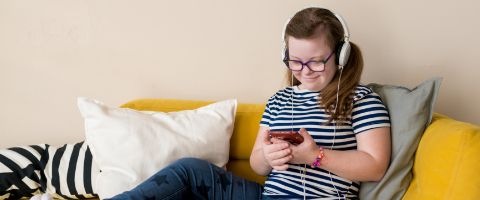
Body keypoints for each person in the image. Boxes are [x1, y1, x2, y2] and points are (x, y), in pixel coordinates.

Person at [109, 6, 391, 200]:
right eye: (295, 61)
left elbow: (375, 165)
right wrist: (268, 157)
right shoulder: (281, 99)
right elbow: (257, 164)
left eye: (316, 62)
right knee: (189, 169)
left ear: (340, 54)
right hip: (267, 195)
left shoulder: (362, 99)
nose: (304, 71)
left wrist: (315, 156)